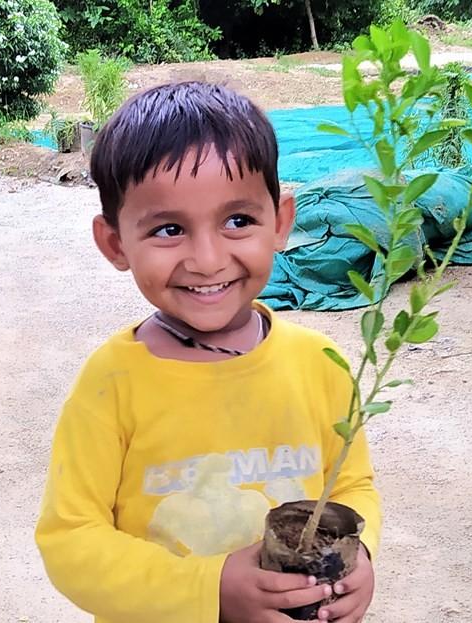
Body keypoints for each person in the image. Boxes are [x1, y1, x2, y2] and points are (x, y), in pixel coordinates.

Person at [35, 82, 381, 623]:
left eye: (237, 221)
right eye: (169, 229)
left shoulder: (321, 365)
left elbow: (353, 485)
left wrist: (359, 556)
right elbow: (70, 540)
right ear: (115, 245)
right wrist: (210, 587)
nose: (207, 258)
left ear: (281, 222)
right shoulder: (113, 382)